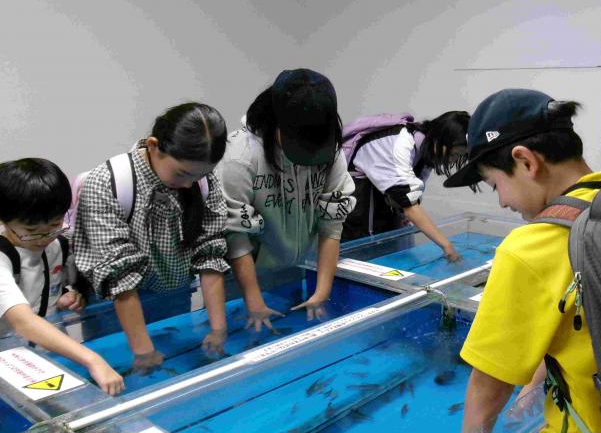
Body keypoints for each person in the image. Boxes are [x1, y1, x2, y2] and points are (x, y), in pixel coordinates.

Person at [442, 89, 601, 433]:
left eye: (495, 184)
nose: (502, 201)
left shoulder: (532, 247)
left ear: (526, 161)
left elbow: (488, 387)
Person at [73, 102, 230, 374]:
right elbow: (119, 276)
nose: (189, 184)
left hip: (173, 294)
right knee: (121, 372)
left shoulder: (203, 180)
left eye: (200, 175)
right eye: (182, 173)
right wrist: (143, 350)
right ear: (154, 146)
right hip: (115, 306)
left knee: (174, 367)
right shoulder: (107, 182)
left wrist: (218, 329)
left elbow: (210, 253)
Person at [216, 69, 356, 330]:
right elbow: (235, 237)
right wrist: (253, 301)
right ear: (276, 122)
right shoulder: (240, 156)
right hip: (240, 280)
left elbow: (332, 225)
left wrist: (322, 292)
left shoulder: (331, 151)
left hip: (293, 271)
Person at [0, 158, 124, 395]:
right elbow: (23, 321)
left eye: (55, 225)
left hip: (47, 358)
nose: (44, 238)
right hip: (9, 364)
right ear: (4, 221)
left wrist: (67, 294)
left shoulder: (59, 246)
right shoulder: (3, 258)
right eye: (31, 231)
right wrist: (92, 359)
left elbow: (55, 284)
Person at [341, 110, 470, 262]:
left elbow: (410, 195)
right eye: (453, 154)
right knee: (360, 259)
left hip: (381, 211)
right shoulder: (399, 144)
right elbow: (410, 206)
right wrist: (447, 246)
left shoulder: (425, 151)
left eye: (458, 156)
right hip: (357, 210)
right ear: (440, 140)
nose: (452, 161)